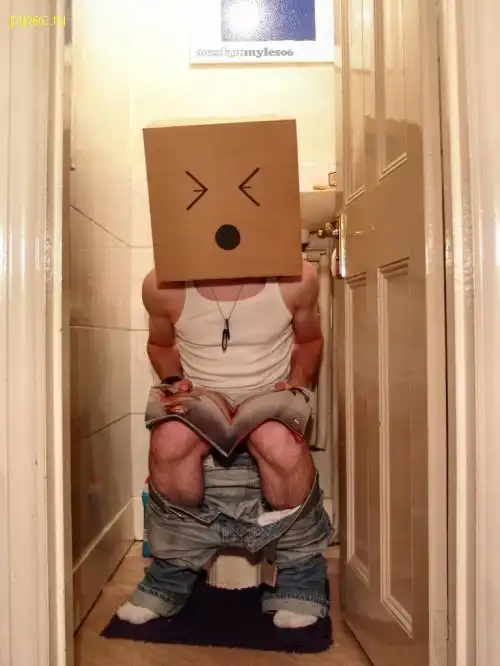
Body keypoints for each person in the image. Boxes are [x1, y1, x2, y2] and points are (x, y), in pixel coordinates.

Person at [117, 259, 333, 629]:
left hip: (268, 394)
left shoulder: (298, 277)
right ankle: (172, 573)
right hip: (204, 396)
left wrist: (296, 383)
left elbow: (309, 341)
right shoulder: (161, 285)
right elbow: (161, 345)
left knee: (279, 441)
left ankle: (301, 573)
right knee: (169, 440)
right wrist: (175, 381)